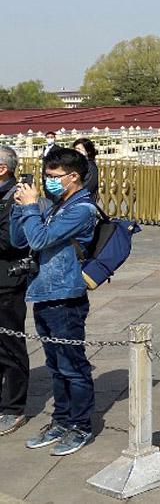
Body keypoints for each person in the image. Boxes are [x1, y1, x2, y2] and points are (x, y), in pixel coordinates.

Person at [11, 148, 98, 456]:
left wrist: (31, 207)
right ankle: (62, 420)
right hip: (43, 292)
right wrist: (19, 208)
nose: (48, 181)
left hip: (65, 295)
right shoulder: (55, 206)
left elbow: (39, 240)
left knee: (72, 366)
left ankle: (80, 425)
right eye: (46, 175)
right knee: (56, 366)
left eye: (53, 176)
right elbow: (20, 240)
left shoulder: (82, 209)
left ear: (73, 176)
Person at [0, 146, 32, 437]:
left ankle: (13, 408)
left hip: (7, 284)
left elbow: (12, 242)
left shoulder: (15, 198)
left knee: (10, 347)